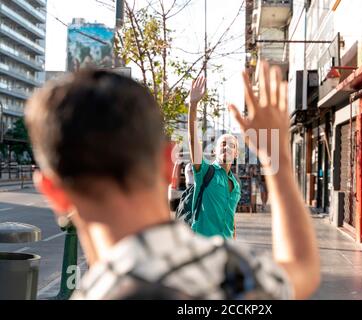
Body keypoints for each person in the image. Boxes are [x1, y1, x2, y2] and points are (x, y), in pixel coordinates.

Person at [25, 62, 320, 300]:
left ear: (53, 193)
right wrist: (275, 155)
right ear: (169, 164)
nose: (226, 149)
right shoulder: (232, 273)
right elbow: (302, 269)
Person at [188, 76, 241, 239]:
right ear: (214, 151)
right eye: (223, 144)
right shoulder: (205, 171)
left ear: (237, 154)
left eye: (232, 145)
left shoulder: (236, 185)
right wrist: (193, 105)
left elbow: (231, 219)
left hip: (226, 249)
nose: (227, 147)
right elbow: (192, 140)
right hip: (202, 247)